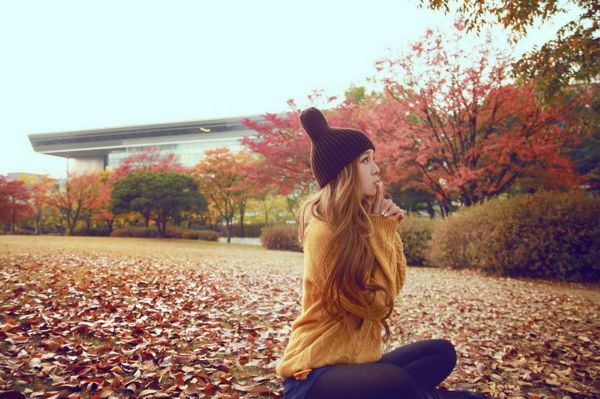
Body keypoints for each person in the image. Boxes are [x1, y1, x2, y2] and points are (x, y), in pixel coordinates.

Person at [274, 107, 490, 399]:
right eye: (366, 160)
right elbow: (375, 306)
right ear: (344, 173)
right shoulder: (324, 233)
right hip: (313, 375)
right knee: (395, 382)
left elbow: (393, 285)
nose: (376, 169)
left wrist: (388, 232)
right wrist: (381, 230)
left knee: (441, 353)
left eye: (374, 159)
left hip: (357, 364)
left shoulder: (363, 222)